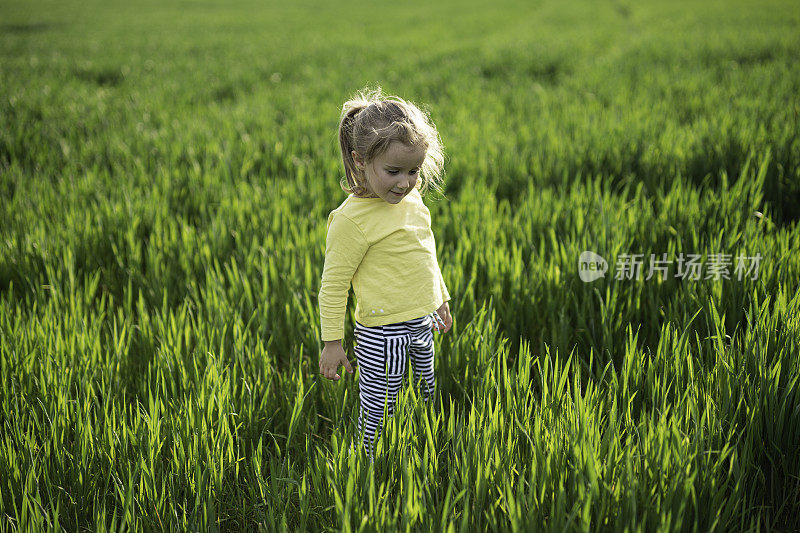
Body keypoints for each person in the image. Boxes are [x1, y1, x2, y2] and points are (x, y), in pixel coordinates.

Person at [318, 86, 453, 459]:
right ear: (360, 161)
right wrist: (332, 343)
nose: (405, 182)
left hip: (421, 321)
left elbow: (425, 252)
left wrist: (439, 299)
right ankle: (369, 460)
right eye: (393, 171)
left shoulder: (413, 200)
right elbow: (333, 286)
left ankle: (424, 444)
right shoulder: (351, 220)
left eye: (413, 170)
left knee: (425, 391)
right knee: (378, 406)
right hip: (381, 332)